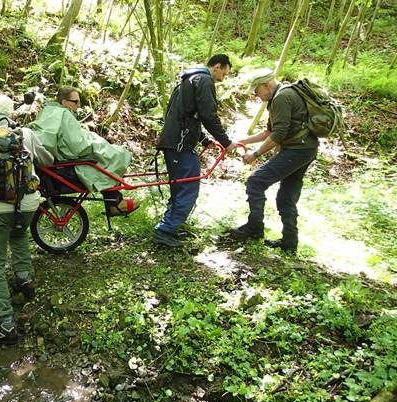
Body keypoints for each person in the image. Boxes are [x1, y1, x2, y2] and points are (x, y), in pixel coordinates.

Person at [0, 95, 48, 345]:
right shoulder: (26, 133)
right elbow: (48, 159)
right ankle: (24, 279)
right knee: (19, 233)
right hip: (26, 204)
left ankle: (4, 324)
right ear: (11, 112)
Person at [229, 69, 319, 253]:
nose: (256, 95)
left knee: (255, 182)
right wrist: (243, 141)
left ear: (266, 85)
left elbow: (278, 134)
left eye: (256, 91)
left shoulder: (281, 98)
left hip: (297, 150)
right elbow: (269, 132)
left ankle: (254, 228)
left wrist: (255, 155)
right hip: (305, 149)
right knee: (286, 196)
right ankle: (289, 242)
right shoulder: (282, 95)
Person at [153, 54, 237, 247]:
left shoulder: (188, 79)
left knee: (180, 187)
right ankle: (165, 230)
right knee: (188, 187)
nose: (224, 77)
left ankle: (169, 227)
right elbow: (208, 115)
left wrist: (203, 139)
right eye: (225, 72)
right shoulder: (205, 80)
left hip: (175, 142)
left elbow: (186, 114)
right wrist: (226, 142)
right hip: (180, 145)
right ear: (217, 66)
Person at [29, 86, 140, 216]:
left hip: (59, 163)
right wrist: (95, 145)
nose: (78, 105)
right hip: (67, 165)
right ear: (64, 102)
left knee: (108, 158)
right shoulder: (63, 114)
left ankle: (114, 201)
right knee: (113, 157)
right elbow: (76, 146)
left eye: (79, 102)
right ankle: (115, 203)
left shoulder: (49, 111)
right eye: (75, 102)